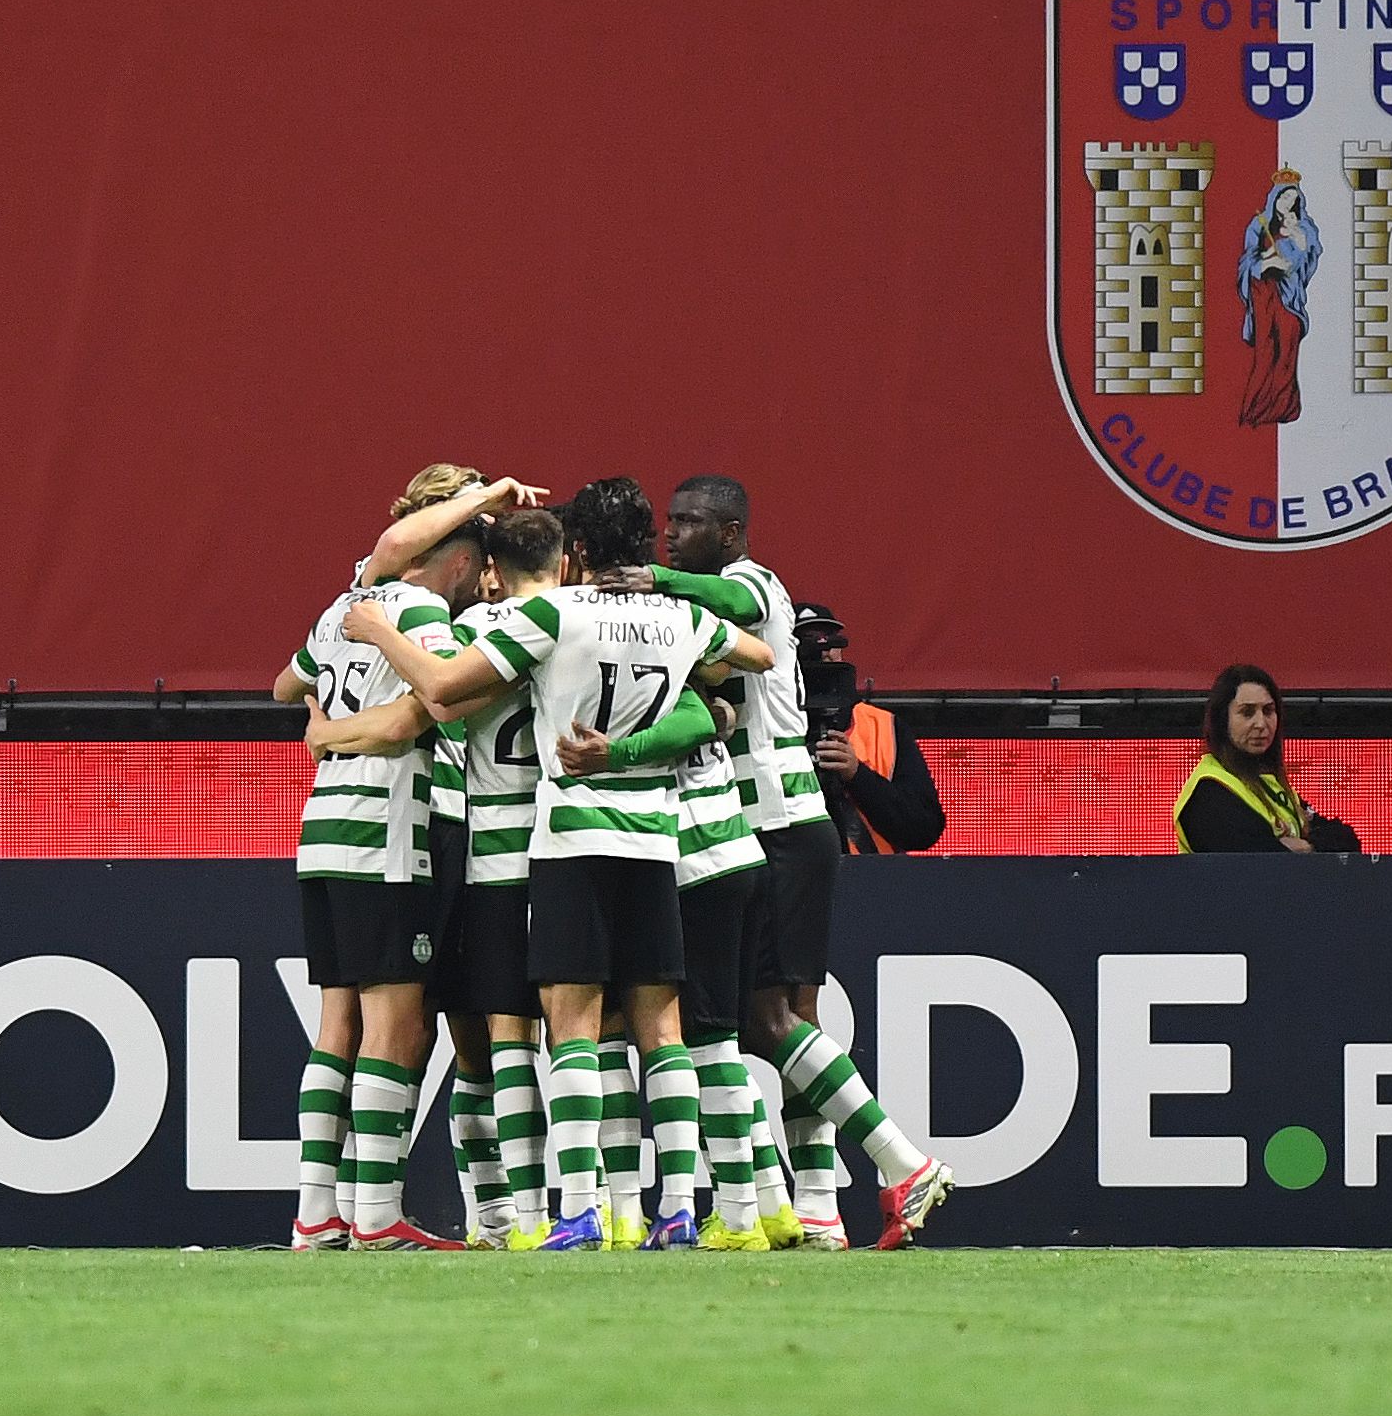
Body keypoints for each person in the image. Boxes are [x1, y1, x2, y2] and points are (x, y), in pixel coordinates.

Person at [350, 476, 759, 1251]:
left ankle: (560, 1212)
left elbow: (441, 694)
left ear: (575, 552)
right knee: (660, 1028)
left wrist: (378, 632)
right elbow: (758, 651)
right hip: (656, 841)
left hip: (556, 842)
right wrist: (710, 697)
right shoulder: (677, 616)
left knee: (549, 1031)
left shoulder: (544, 617)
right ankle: (674, 1207)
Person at [620, 472, 959, 1251]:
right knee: (787, 1022)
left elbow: (735, 605)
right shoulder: (707, 607)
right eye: (669, 521)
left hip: (776, 828)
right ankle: (817, 1207)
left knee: (765, 1021)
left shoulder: (752, 585)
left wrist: (656, 582)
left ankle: (903, 1163)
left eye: (689, 523)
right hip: (780, 830)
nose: (672, 534)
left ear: (731, 534)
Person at [270, 465, 492, 1251]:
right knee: (395, 1024)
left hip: (326, 825)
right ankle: (375, 1213)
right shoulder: (424, 612)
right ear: (458, 558)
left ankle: (314, 1214)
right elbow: (432, 704)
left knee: (338, 1021)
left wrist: (326, 725)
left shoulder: (341, 609)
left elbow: (284, 684)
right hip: (390, 830)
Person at [794, 603, 947, 856]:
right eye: (808, 642)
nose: (823, 653)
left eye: (829, 640)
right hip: (795, 877)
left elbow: (924, 829)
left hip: (876, 875)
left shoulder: (885, 726)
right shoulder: (768, 726)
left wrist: (857, 775)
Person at [1176, 664, 1358, 853]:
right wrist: (1299, 848)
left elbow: (1347, 842)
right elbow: (1257, 859)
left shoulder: (1273, 786)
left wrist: (1305, 846)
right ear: (1222, 720)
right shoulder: (1208, 791)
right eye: (1247, 712)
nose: (1261, 723)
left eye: (1268, 711)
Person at [1236, 168, 1320, 427]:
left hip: (1289, 298)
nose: (1288, 202)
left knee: (1287, 351)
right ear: (1275, 198)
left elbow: (1309, 261)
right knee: (1265, 352)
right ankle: (1256, 410)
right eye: (1284, 197)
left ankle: (1285, 408)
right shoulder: (1259, 224)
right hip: (1264, 294)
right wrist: (1266, 263)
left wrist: (1300, 241)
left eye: (1293, 198)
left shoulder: (1304, 226)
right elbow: (1246, 262)